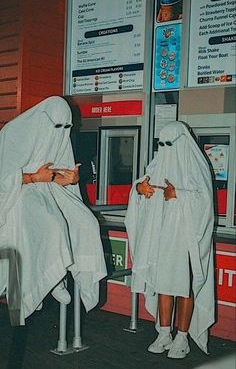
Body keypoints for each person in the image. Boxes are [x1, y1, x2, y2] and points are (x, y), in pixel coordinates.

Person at [0, 96, 107, 325]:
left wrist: (69, 178)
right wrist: (33, 177)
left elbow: (56, 172)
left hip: (49, 190)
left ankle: (81, 279)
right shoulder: (13, 133)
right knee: (52, 224)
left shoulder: (60, 132)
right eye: (58, 126)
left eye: (66, 128)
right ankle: (53, 277)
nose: (61, 132)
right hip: (19, 193)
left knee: (87, 223)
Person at [125, 121, 215, 359]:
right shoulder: (159, 163)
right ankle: (164, 333)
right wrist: (139, 189)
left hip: (186, 238)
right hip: (162, 237)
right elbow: (142, 183)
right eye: (161, 144)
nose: (165, 149)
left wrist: (178, 194)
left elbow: (205, 202)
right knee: (164, 283)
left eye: (169, 144)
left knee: (184, 286)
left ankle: (182, 337)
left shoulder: (196, 166)